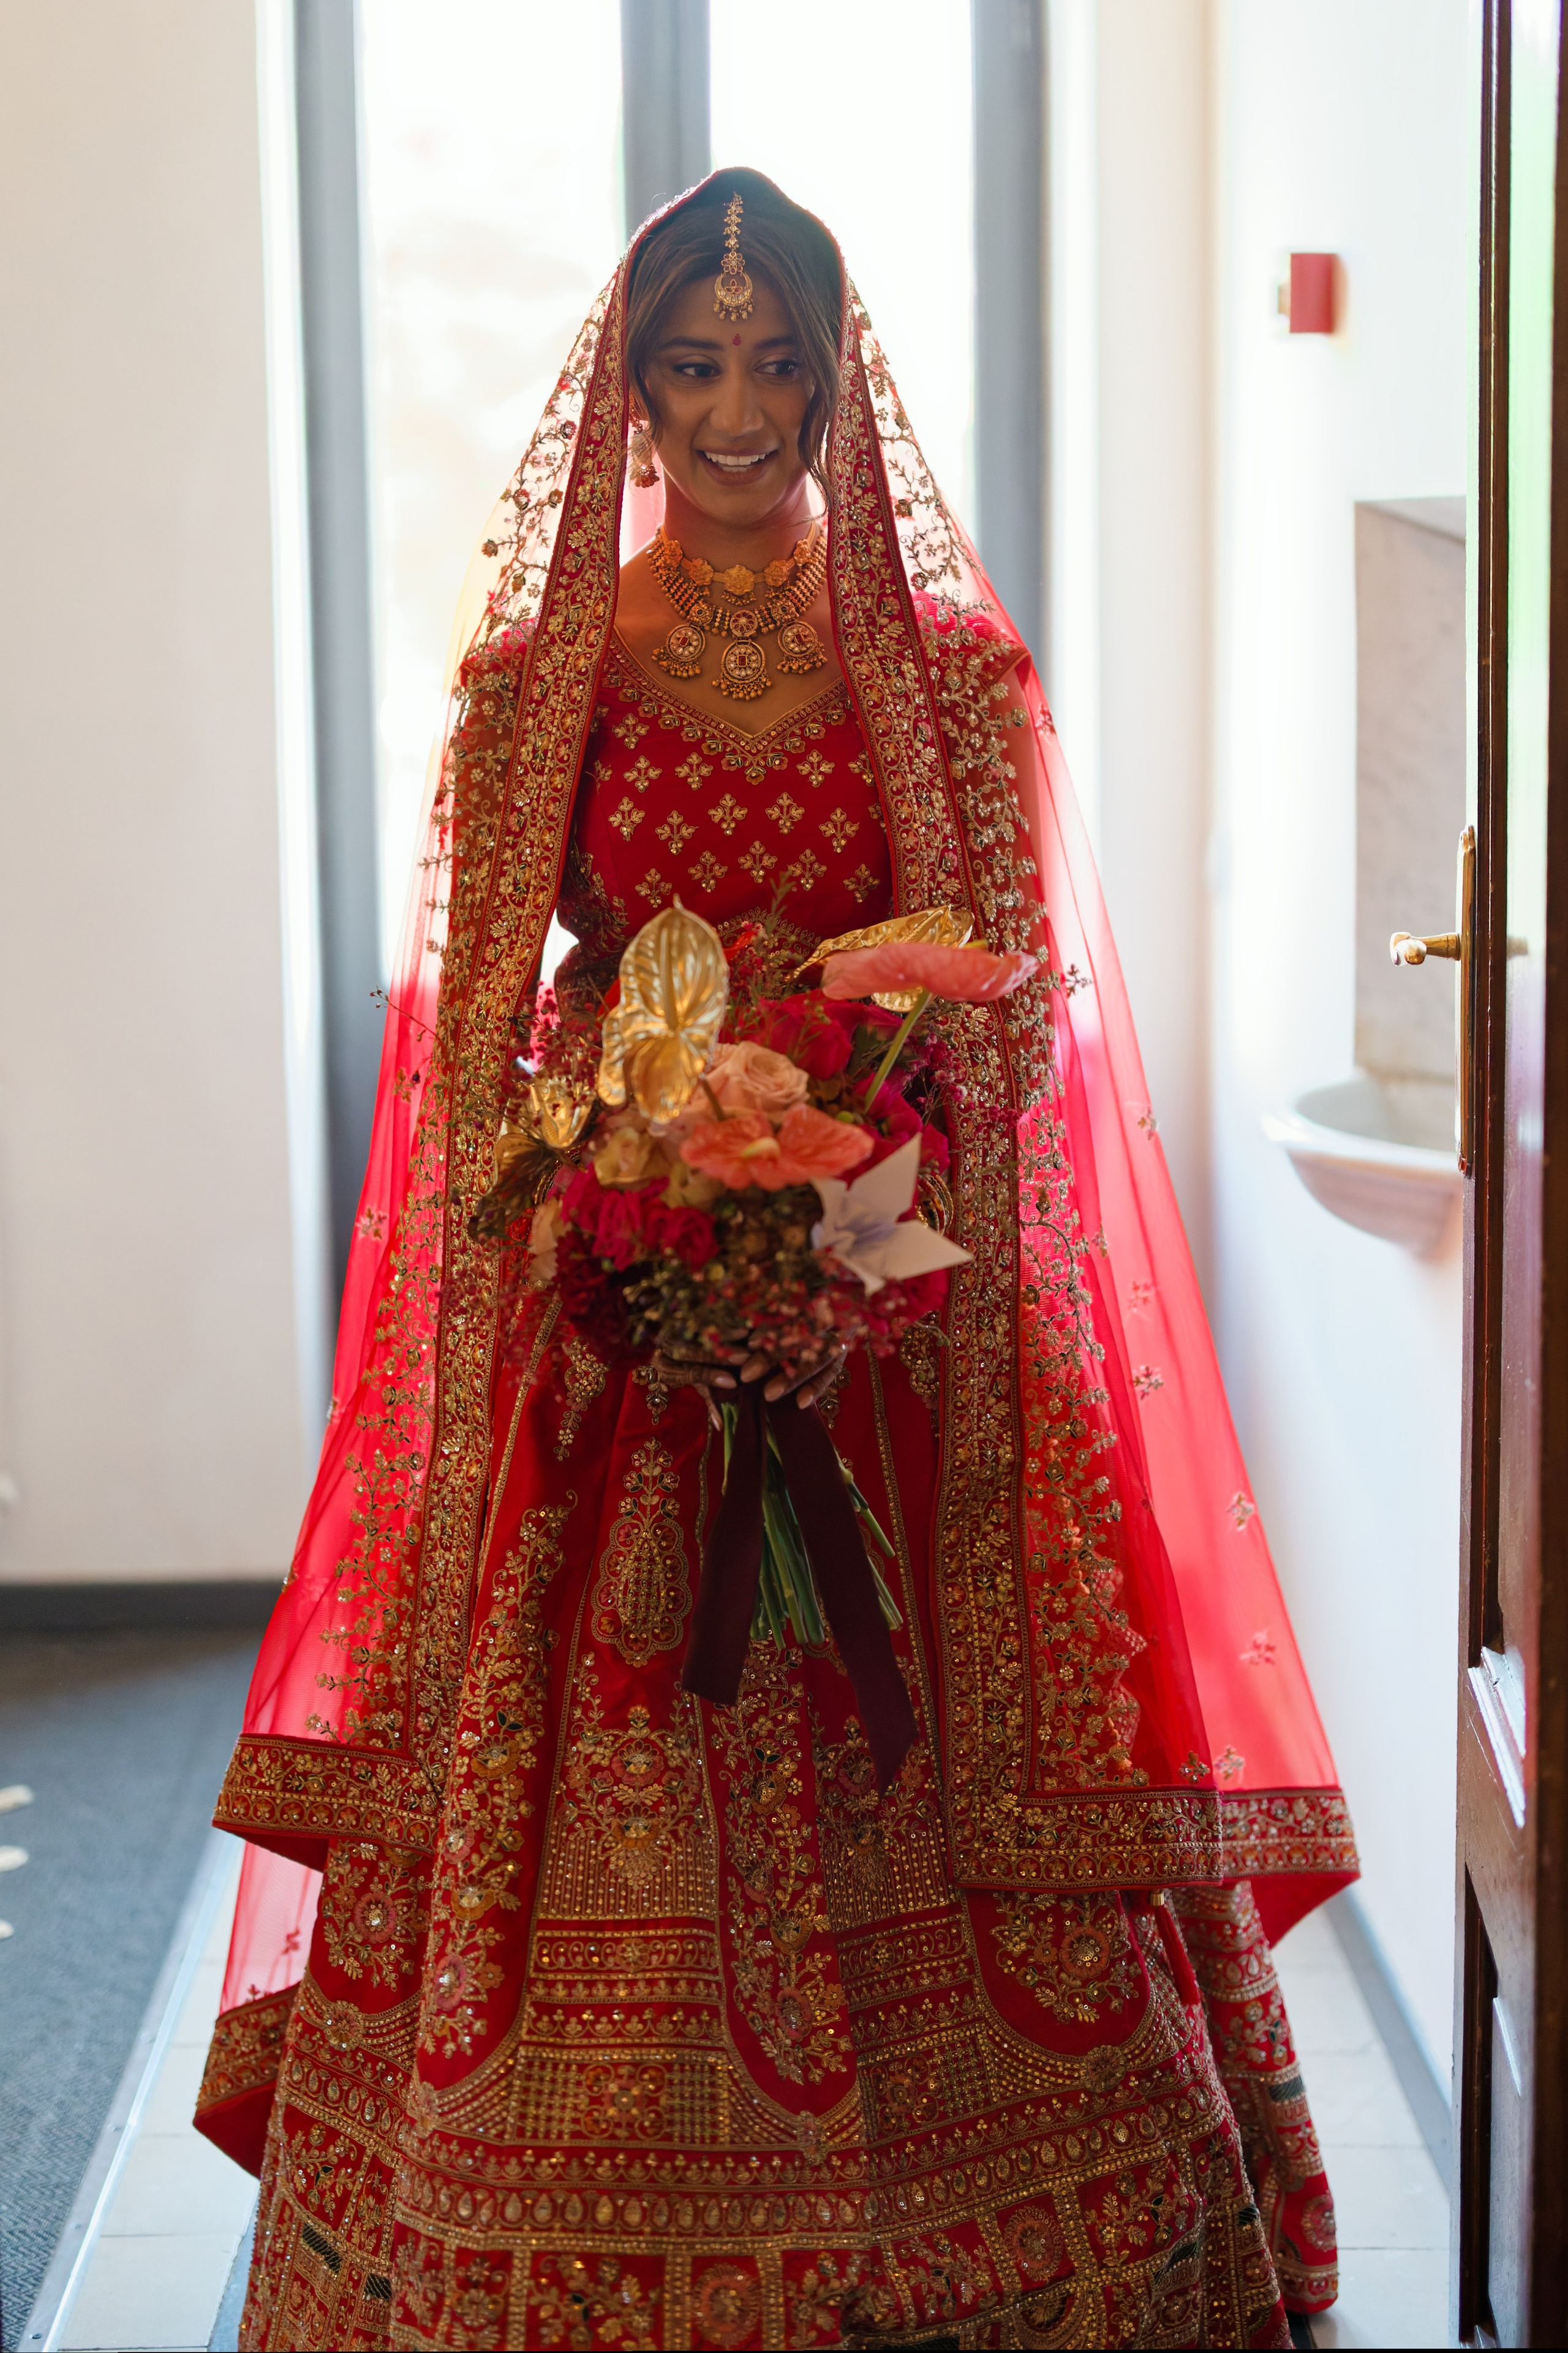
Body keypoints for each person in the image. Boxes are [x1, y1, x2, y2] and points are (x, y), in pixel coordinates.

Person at [195, 172, 1355, 2351]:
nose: (739, 408)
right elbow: (477, 1042)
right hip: (615, 1313)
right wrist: (615, 1195)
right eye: (694, 364)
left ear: (838, 372)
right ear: (633, 388)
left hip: (895, 1297)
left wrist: (851, 1211)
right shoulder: (540, 674)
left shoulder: (948, 672)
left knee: (925, 1742)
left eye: (777, 360)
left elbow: (1005, 1007)